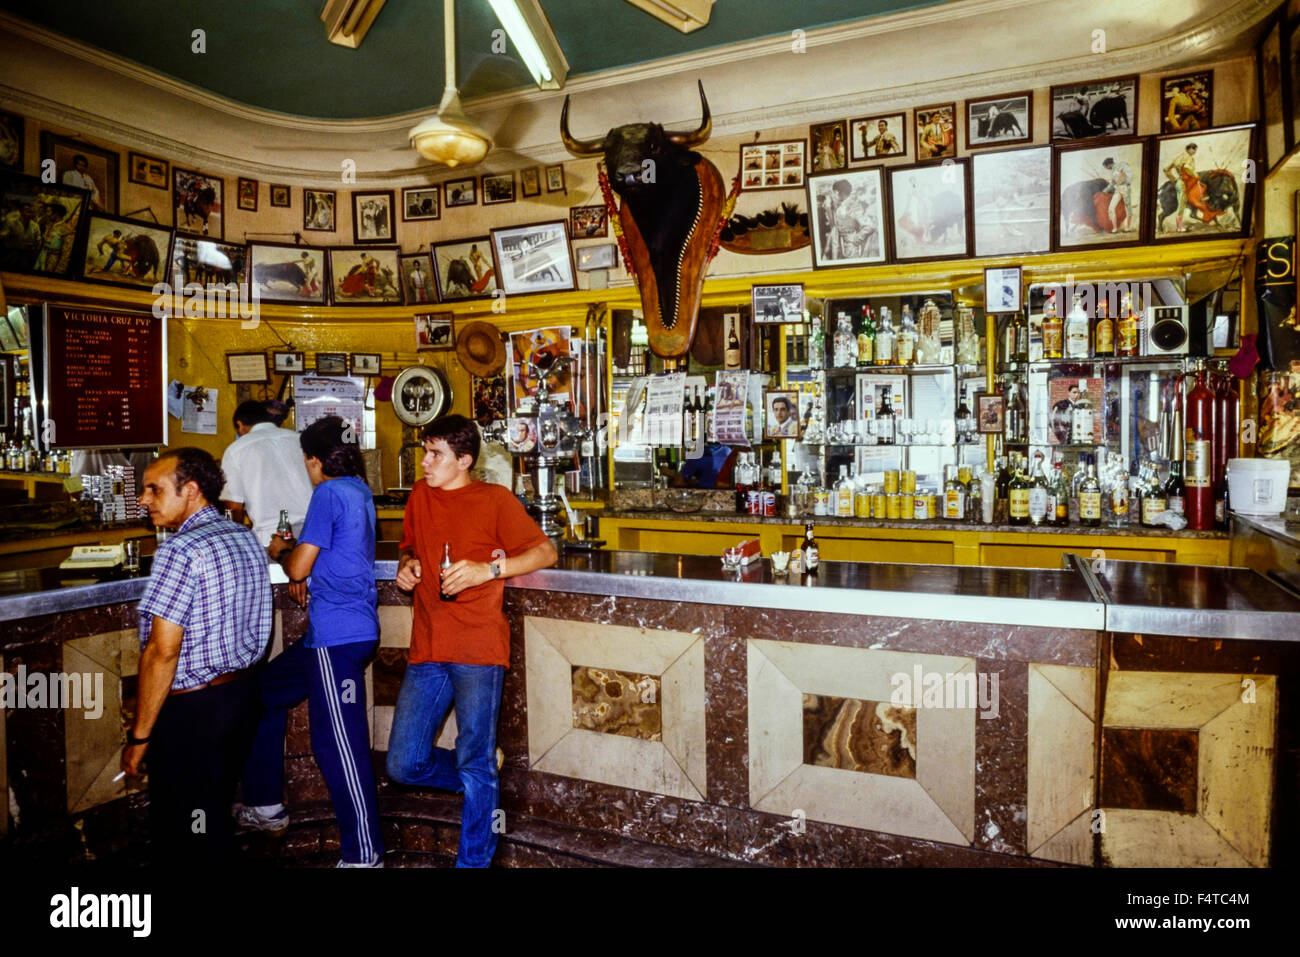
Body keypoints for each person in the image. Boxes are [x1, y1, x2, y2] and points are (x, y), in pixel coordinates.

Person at [386, 414, 557, 868]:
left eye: (436, 454)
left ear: (464, 460)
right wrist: (408, 565)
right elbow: (409, 546)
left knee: (475, 760)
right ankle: (479, 774)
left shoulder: (495, 499)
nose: (425, 462)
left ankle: (473, 861)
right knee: (403, 763)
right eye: (426, 451)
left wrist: (489, 569)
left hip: (478, 648)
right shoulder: (420, 496)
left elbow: (545, 552)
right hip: (429, 644)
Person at [237, 416, 384, 867]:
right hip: (347, 631)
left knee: (337, 746)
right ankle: (264, 803)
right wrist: (308, 557)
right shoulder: (359, 490)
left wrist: (281, 549)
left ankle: (364, 855)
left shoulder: (327, 493)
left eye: (306, 459)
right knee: (262, 693)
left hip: (337, 640)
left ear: (316, 460)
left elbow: (298, 567)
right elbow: (332, 554)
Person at [120, 448, 271, 863]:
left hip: (193, 711)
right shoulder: (244, 537)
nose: (144, 500)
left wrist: (140, 736)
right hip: (239, 700)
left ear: (191, 490)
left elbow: (162, 652)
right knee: (210, 814)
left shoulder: (179, 550)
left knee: (187, 832)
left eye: (154, 489)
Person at [221, 399, 314, 546]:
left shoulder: (236, 450)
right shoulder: (299, 440)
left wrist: (235, 541)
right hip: (313, 535)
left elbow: (234, 507)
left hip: (271, 539)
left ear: (239, 424)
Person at [1163, 142, 1198, 232]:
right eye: (1194, 149)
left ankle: (1180, 226)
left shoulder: (1178, 158)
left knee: (1182, 204)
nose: (1194, 151)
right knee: (1181, 206)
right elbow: (1186, 167)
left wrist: (1174, 179)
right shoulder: (1189, 158)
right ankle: (1179, 227)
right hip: (1185, 183)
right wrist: (1195, 175)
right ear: (1190, 149)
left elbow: (1166, 169)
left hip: (1179, 182)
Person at [1100, 157, 1133, 233]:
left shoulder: (1122, 164)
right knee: (1111, 208)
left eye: (1106, 167)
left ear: (1109, 164)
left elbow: (1130, 173)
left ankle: (1127, 228)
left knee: (1128, 207)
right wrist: (1104, 191)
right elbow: (1112, 183)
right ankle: (1115, 228)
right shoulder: (1112, 172)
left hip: (1125, 189)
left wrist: (1126, 182)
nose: (1106, 168)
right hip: (1117, 190)